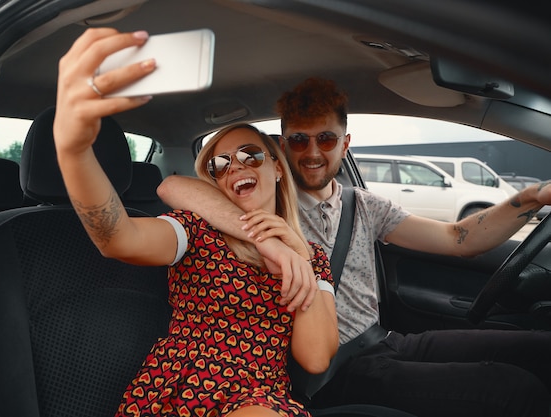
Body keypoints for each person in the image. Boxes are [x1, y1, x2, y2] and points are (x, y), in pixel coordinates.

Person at [158, 77, 551, 417]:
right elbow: (175, 186)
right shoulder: (264, 197)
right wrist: (262, 235)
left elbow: (458, 239)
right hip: (336, 370)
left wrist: (532, 198)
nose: (313, 153)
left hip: (386, 339)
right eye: (299, 140)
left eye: (325, 139)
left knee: (538, 348)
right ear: (283, 148)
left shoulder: (363, 204)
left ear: (345, 144)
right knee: (513, 389)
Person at [53, 29, 338, 417]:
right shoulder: (196, 230)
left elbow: (316, 358)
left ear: (277, 167)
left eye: (250, 155)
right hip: (183, 389)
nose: (235, 165)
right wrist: (74, 151)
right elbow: (118, 239)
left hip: (259, 398)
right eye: (220, 165)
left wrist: (298, 257)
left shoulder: (313, 257)